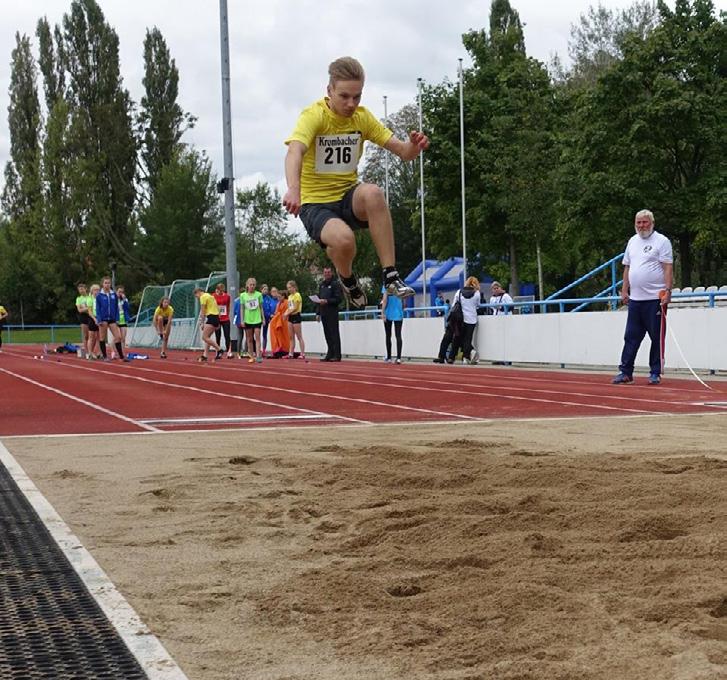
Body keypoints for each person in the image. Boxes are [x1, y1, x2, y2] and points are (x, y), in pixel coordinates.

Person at [283, 56, 428, 309]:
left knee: (373, 192)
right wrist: (294, 189)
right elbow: (294, 151)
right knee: (344, 241)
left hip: (348, 195)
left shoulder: (361, 118)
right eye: (344, 96)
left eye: (357, 96)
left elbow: (403, 152)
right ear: (329, 91)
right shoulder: (314, 116)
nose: (351, 103)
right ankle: (348, 279)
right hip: (316, 204)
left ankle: (391, 275)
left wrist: (414, 147)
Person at [613, 209, 673, 385]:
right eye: (638, 222)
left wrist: (668, 291)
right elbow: (627, 267)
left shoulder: (662, 241)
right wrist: (624, 290)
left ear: (652, 223)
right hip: (636, 300)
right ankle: (625, 371)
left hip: (655, 299)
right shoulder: (632, 241)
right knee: (630, 336)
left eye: (645, 222)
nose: (641, 226)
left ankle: (655, 372)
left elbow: (667, 267)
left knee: (656, 337)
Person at [432, 276, 481, 365]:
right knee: (467, 339)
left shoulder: (459, 292)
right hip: (472, 319)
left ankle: (449, 357)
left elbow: (454, 304)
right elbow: (478, 305)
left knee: (455, 338)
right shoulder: (477, 293)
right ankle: (466, 358)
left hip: (459, 319)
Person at [95, 276, 129, 361]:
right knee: (102, 338)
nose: (107, 284)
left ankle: (121, 356)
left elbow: (116, 307)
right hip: (103, 319)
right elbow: (98, 308)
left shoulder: (113, 294)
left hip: (112, 319)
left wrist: (117, 318)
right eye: (105, 283)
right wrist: (99, 319)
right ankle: (105, 356)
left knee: (118, 337)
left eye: (108, 283)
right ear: (102, 284)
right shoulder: (99, 295)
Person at [317, 267, 342, 361]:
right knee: (327, 334)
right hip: (324, 312)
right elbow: (319, 299)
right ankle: (330, 353)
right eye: (325, 272)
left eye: (328, 272)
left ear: (331, 273)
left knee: (334, 333)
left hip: (332, 312)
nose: (326, 274)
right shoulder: (322, 285)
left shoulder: (335, 284)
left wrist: (327, 301)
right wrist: (318, 313)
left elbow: (338, 299)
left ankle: (337, 354)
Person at [194, 287, 223, 362]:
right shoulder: (211, 296)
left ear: (198, 292)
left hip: (211, 317)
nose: (197, 298)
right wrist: (218, 321)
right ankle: (205, 355)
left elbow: (203, 311)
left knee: (204, 337)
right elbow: (217, 308)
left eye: (196, 296)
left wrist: (202, 323)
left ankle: (219, 349)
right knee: (208, 337)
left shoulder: (203, 297)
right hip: (216, 317)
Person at [240, 278, 264, 364]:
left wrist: (263, 318)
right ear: (247, 285)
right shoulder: (243, 295)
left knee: (257, 338)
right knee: (249, 339)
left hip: (257, 319)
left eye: (254, 285)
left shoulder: (259, 295)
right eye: (251, 285)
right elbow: (242, 309)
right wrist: (242, 320)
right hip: (247, 319)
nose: (252, 286)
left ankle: (258, 356)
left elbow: (261, 308)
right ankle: (251, 356)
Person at [381, 283, 404, 364]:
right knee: (398, 335)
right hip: (398, 312)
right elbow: (404, 297)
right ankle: (398, 358)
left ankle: (389, 357)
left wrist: (383, 312)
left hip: (388, 312)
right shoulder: (399, 285)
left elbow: (385, 299)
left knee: (388, 335)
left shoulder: (386, 285)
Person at [283, 280, 306, 360]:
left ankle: (302, 353)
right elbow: (289, 307)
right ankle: (291, 353)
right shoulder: (289, 297)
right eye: (288, 288)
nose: (289, 289)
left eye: (290, 287)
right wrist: (285, 313)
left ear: (294, 287)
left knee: (299, 336)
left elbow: (295, 307)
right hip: (290, 317)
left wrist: (287, 313)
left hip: (296, 316)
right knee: (291, 337)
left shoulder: (297, 295)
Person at [213, 282, 233, 358]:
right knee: (218, 335)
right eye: (219, 290)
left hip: (225, 318)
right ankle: (218, 352)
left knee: (227, 335)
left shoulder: (227, 296)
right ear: (217, 290)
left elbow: (228, 306)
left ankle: (229, 352)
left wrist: (227, 314)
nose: (221, 292)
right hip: (217, 318)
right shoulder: (213, 296)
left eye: (222, 290)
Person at [269, 290, 291, 358]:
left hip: (285, 321)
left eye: (279, 297)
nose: (278, 298)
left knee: (285, 336)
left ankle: (285, 349)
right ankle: (278, 348)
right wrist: (275, 316)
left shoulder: (287, 302)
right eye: (277, 297)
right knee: (278, 336)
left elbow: (289, 310)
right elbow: (276, 312)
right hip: (279, 322)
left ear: (283, 296)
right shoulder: (278, 303)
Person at [75, 283, 93, 358]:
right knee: (86, 336)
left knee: (92, 335)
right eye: (79, 289)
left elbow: (92, 306)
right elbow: (79, 310)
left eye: (82, 289)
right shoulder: (78, 299)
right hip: (83, 317)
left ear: (86, 289)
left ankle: (92, 351)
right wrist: (88, 308)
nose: (81, 291)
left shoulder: (90, 297)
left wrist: (86, 308)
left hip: (91, 316)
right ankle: (86, 352)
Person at [261, 284, 277, 357]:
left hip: (267, 318)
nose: (266, 291)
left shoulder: (268, 298)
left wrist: (271, 314)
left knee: (264, 334)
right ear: (261, 290)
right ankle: (252, 350)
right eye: (264, 289)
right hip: (258, 318)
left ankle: (263, 350)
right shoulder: (259, 297)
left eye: (267, 289)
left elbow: (271, 307)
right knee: (254, 334)